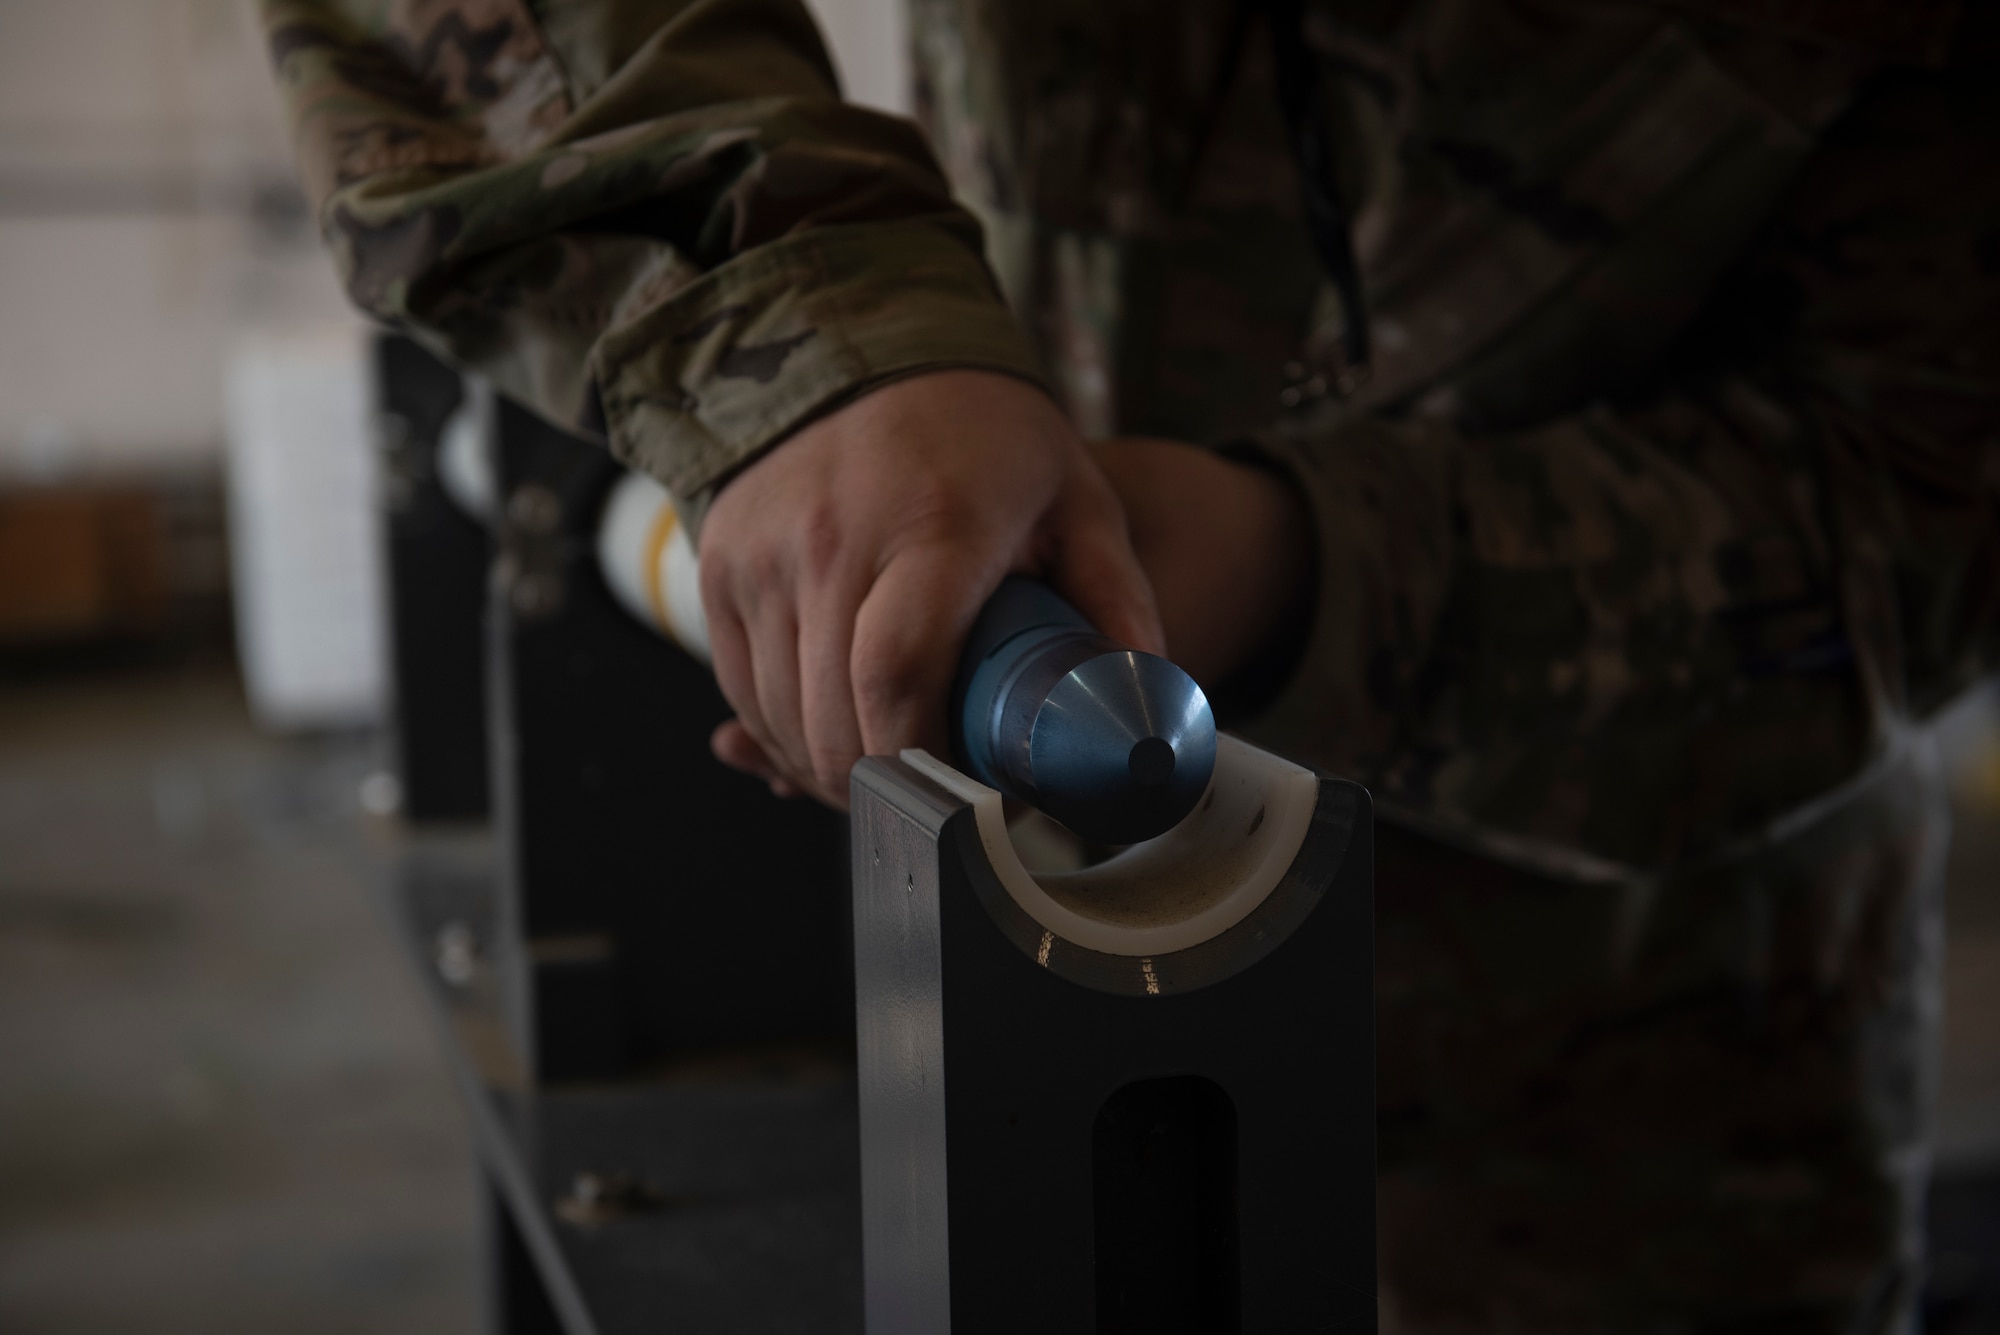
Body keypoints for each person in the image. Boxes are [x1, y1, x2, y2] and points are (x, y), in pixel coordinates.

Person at [261, 0, 1996, 1328]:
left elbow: (1927, 495)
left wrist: (1287, 562)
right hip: (998, 990)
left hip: (1634, 1095)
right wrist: (815, 340)